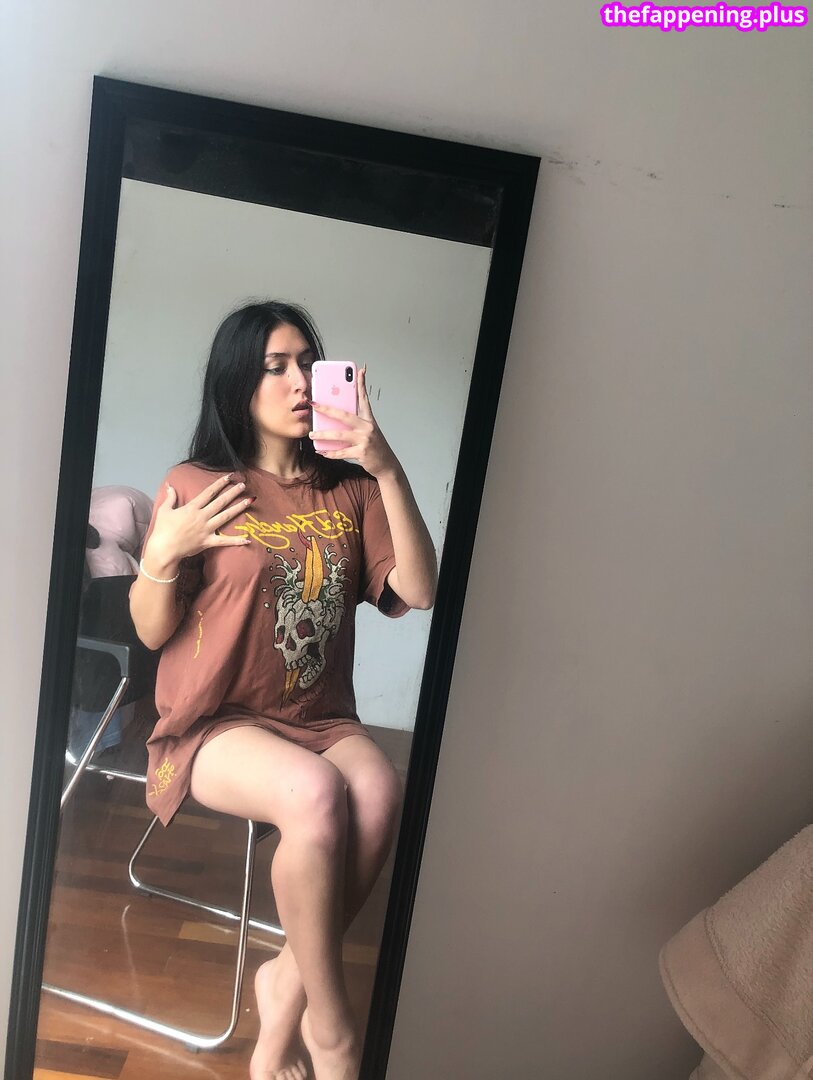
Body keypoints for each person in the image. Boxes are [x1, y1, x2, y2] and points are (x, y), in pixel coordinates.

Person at [129, 300, 437, 1080]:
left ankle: (283, 986)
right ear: (239, 382)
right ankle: (331, 1031)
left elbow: (420, 590)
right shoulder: (198, 484)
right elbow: (152, 632)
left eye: (308, 362)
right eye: (276, 367)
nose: (299, 381)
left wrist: (386, 467)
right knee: (315, 795)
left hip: (320, 716)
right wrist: (161, 555)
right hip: (215, 721)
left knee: (379, 794)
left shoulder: (350, 489)